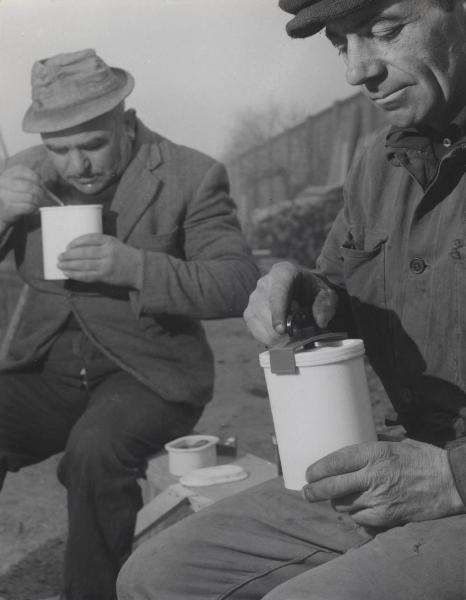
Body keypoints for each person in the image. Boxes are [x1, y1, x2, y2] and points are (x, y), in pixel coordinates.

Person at [116, 0, 466, 598]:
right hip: (398, 463)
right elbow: (337, 286)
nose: (358, 71)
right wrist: (308, 294)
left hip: (449, 479)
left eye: (385, 31)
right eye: (339, 42)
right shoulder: (377, 164)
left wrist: (453, 476)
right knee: (154, 576)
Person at [0, 48, 260, 600]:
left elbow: (238, 282)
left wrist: (136, 267)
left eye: (92, 144)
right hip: (48, 365)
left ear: (125, 119)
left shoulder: (191, 173)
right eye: (59, 149)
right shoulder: (20, 173)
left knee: (94, 454)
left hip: (146, 374)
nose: (76, 166)